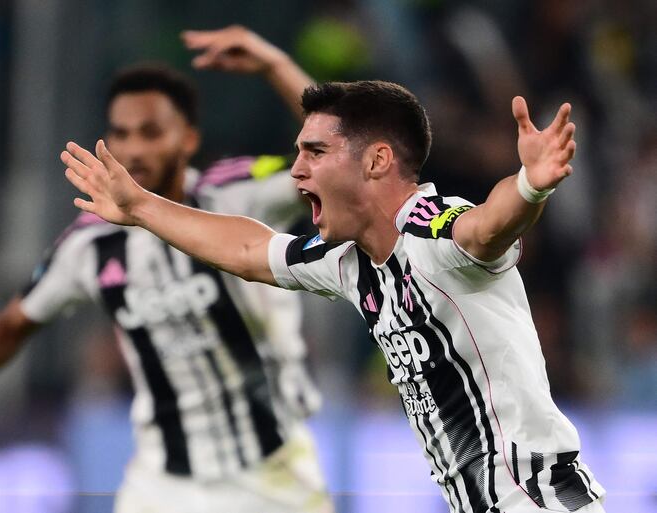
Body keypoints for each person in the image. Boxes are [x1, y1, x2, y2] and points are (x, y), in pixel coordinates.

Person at [62, 80, 607, 512]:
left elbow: (486, 227)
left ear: (376, 161)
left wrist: (531, 185)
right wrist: (142, 207)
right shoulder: (348, 262)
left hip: (537, 501)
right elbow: (249, 249)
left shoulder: (431, 230)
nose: (297, 170)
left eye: (316, 152)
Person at [0, 26, 334, 513]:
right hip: (161, 483)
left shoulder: (239, 191)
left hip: (274, 474)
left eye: (151, 133)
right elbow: (12, 324)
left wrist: (275, 66)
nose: (133, 150)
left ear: (188, 138)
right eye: (121, 133)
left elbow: (329, 161)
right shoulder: (88, 243)